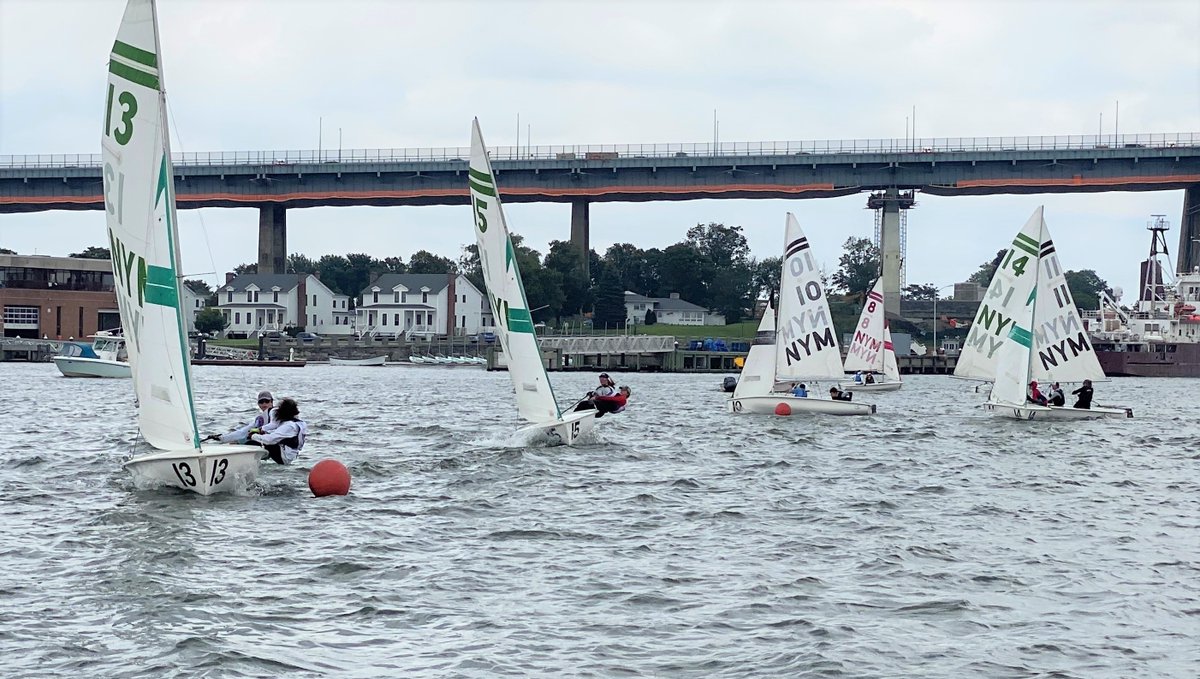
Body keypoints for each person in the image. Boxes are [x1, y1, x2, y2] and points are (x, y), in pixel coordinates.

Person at [205, 390, 276, 444]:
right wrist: (222, 438)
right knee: (237, 441)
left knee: (249, 442)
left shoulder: (275, 412)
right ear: (258, 404)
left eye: (267, 401)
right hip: (266, 442)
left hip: (277, 444)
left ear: (271, 402)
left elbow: (274, 427)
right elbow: (243, 432)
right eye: (261, 402)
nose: (264, 404)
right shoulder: (259, 419)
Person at [251, 397, 307, 464]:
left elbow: (270, 440)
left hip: (284, 456)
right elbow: (277, 429)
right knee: (262, 439)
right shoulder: (299, 423)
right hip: (290, 455)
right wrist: (262, 430)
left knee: (253, 442)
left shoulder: (289, 426)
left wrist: (253, 436)